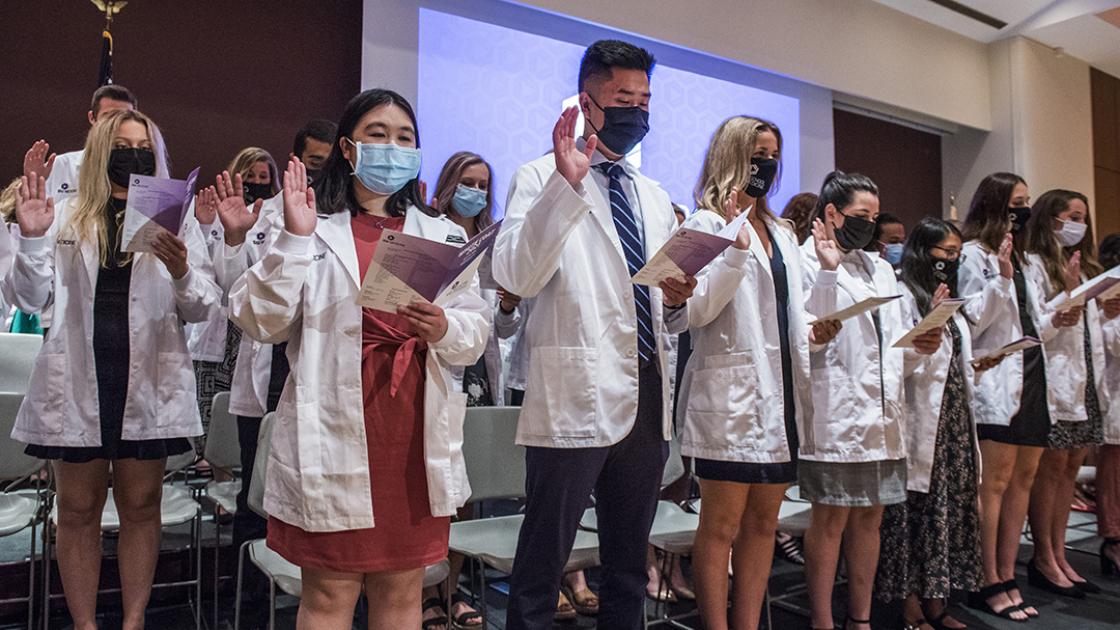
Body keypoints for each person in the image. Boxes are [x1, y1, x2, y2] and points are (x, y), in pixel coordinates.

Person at [228, 88, 490, 630]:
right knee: (328, 595)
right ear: (348, 148)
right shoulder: (307, 223)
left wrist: (445, 326)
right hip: (336, 425)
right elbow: (260, 321)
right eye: (378, 135)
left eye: (405, 138)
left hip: (412, 432)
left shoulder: (439, 233)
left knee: (402, 595)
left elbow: (475, 329)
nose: (392, 147)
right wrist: (294, 242)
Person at [492, 39, 695, 630]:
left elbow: (662, 301)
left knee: (629, 564)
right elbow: (516, 275)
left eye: (646, 99)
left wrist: (681, 302)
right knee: (542, 562)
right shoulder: (539, 176)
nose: (638, 111)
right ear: (589, 102)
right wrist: (565, 187)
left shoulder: (652, 194)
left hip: (648, 391)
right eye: (623, 98)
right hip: (575, 394)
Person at [8, 108, 219, 630]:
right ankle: (84, 624)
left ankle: (133, 620)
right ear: (101, 150)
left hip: (146, 380)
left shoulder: (175, 213)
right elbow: (31, 298)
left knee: (141, 508)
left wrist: (182, 270)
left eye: (143, 145)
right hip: (76, 381)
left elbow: (202, 306)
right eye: (122, 145)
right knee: (77, 512)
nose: (134, 154)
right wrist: (32, 238)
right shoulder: (65, 211)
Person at [678, 116, 835, 630]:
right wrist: (734, 253)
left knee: (764, 524)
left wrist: (816, 328)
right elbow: (692, 313)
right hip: (730, 401)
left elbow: (791, 312)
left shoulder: (784, 231)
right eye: (756, 154)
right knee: (719, 526)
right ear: (731, 156)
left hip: (781, 399)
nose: (766, 164)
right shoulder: (702, 225)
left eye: (772, 155)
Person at [799, 171, 940, 630]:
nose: (871, 225)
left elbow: (892, 353)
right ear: (833, 214)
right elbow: (803, 340)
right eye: (863, 216)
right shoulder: (806, 260)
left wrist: (919, 347)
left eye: (875, 217)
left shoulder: (880, 267)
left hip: (883, 419)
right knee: (830, 524)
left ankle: (860, 619)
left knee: (870, 524)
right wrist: (826, 271)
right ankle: (822, 620)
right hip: (836, 415)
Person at [419, 150, 525, 628]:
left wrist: (507, 308)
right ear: (447, 183)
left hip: (480, 375)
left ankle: (453, 589)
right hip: (435, 369)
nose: (476, 192)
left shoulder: (494, 244)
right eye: (468, 181)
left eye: (483, 184)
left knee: (462, 493)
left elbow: (500, 332)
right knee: (429, 489)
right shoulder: (427, 233)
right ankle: (422, 595)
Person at [876, 217, 991, 630]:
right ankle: (908, 607)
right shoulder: (903, 295)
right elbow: (895, 358)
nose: (953, 261)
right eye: (946, 253)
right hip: (920, 420)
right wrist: (927, 324)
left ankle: (937, 603)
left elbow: (955, 360)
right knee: (916, 517)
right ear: (924, 252)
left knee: (948, 512)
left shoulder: (951, 301)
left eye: (958, 254)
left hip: (955, 422)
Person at [958, 172, 1041, 621]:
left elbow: (1032, 317)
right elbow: (971, 321)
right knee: (992, 485)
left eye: (1027, 203)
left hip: (1029, 377)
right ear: (994, 206)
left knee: (1020, 483)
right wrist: (1001, 280)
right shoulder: (973, 255)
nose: (1023, 212)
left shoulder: (1021, 258)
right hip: (993, 378)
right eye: (1016, 203)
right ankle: (985, 577)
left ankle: (1007, 572)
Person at [1020, 189, 1106, 598]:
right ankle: (1043, 556)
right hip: (1053, 380)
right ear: (1050, 219)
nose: (1079, 225)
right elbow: (1036, 324)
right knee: (1050, 471)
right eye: (1072, 215)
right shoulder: (1032, 263)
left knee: (1070, 469)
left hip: (1083, 379)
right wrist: (1066, 296)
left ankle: (1059, 552)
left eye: (1083, 218)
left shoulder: (1084, 267)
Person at [188, 147, 280, 451]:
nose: (257, 181)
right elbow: (205, 267)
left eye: (263, 177)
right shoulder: (219, 209)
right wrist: (206, 225)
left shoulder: (278, 217)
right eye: (250, 175)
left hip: (251, 324)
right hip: (218, 320)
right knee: (213, 415)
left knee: (243, 424)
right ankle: (213, 467)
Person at [23, 84, 138, 203]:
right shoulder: (61, 166)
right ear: (92, 118)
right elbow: (31, 215)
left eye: (124, 117)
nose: (116, 124)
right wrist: (33, 184)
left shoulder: (145, 169)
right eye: (108, 116)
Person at [1096, 233, 1120, 577]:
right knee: (1115, 472)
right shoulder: (1107, 288)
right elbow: (1112, 341)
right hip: (1115, 391)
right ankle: (1114, 540)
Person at [291, 118, 338, 184]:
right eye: (316, 163)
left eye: (334, 164)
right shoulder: (287, 194)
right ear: (295, 161)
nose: (327, 172)